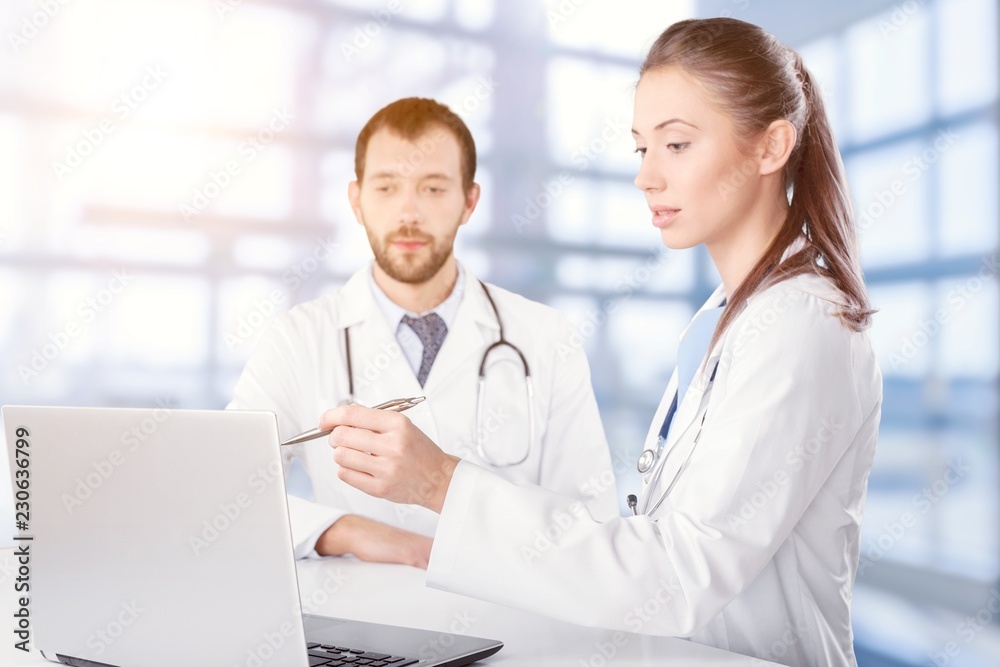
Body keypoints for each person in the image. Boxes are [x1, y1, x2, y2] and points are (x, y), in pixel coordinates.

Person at [318, 18, 882, 667]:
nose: (646, 176)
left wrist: (443, 482)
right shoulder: (728, 315)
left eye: (676, 145)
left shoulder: (799, 327)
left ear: (770, 146)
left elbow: (677, 573)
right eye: (641, 148)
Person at [228, 97, 618, 565]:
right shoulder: (297, 339)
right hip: (357, 620)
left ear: (469, 201)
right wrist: (347, 530)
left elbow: (593, 523)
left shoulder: (544, 337)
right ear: (356, 200)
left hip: (510, 621)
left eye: (433, 189)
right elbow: (229, 493)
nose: (408, 213)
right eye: (387, 188)